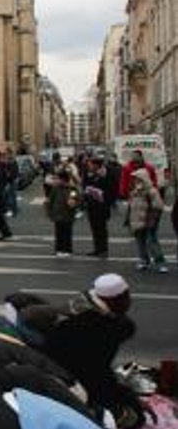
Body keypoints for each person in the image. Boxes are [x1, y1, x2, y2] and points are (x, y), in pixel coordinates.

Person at [39, 274, 146, 426]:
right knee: (134, 418)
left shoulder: (84, 303)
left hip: (60, 364)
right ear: (118, 300)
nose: (129, 301)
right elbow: (96, 374)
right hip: (64, 378)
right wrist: (128, 399)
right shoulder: (98, 329)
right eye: (126, 297)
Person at [126, 168, 167, 273]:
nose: (135, 180)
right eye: (134, 179)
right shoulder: (135, 191)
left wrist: (153, 220)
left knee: (151, 241)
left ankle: (160, 263)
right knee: (140, 242)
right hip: (137, 220)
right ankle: (144, 261)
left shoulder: (151, 191)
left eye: (137, 178)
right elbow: (131, 207)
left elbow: (158, 206)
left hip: (149, 220)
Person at [82, 157, 114, 258]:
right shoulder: (89, 174)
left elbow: (110, 189)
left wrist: (99, 193)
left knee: (101, 229)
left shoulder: (106, 175)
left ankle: (104, 250)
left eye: (91, 164)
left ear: (96, 165)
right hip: (92, 205)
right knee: (94, 228)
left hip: (102, 206)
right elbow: (85, 186)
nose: (89, 166)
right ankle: (97, 249)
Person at [47, 170, 79, 258]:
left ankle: (68, 249)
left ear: (63, 179)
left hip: (68, 214)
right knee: (59, 232)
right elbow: (51, 200)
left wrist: (73, 202)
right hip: (58, 214)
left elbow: (75, 199)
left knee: (67, 233)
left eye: (58, 178)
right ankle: (59, 249)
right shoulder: (55, 188)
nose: (56, 180)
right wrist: (50, 212)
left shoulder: (72, 189)